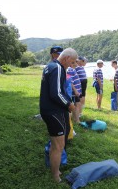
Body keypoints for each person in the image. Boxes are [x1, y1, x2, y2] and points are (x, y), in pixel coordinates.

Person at [39, 48, 77, 183]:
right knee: (58, 146)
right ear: (66, 58)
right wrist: (69, 105)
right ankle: (55, 176)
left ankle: (56, 170)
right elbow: (56, 93)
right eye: (71, 62)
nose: (71, 65)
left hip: (49, 110)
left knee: (56, 144)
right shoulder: (58, 68)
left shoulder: (50, 66)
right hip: (53, 112)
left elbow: (58, 90)